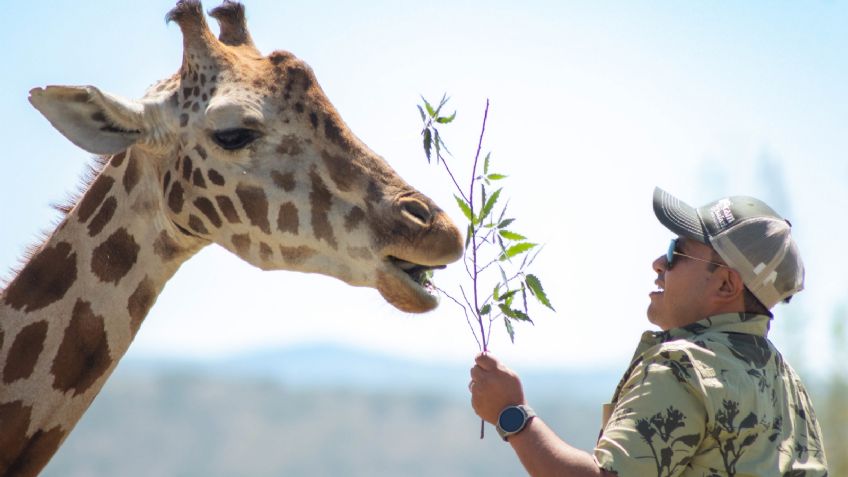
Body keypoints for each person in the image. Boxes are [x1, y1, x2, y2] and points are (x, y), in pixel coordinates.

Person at [468, 187, 828, 476]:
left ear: (725, 285)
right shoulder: (789, 385)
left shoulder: (683, 368)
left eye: (677, 253)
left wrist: (512, 414)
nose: (659, 264)